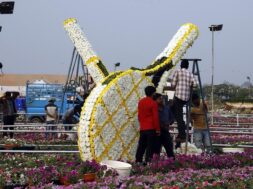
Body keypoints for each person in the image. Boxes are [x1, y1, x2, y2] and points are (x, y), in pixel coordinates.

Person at [171, 59, 197, 146]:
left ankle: (182, 135)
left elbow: (173, 84)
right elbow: (195, 84)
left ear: (181, 65)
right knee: (176, 112)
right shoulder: (190, 73)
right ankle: (180, 132)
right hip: (186, 98)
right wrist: (189, 86)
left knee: (179, 117)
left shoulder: (177, 71)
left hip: (178, 96)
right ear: (187, 66)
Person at [135, 86, 160, 163]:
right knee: (150, 147)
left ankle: (138, 161)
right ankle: (147, 162)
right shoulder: (153, 103)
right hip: (151, 128)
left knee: (141, 146)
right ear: (153, 93)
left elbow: (139, 116)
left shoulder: (140, 102)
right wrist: (158, 129)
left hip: (143, 128)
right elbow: (155, 117)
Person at [153, 93, 175, 158]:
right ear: (155, 100)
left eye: (162, 98)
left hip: (165, 131)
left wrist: (169, 122)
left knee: (169, 148)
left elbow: (172, 118)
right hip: (157, 132)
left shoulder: (167, 108)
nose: (162, 100)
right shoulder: (153, 109)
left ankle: (172, 163)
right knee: (156, 150)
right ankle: (156, 165)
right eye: (160, 99)